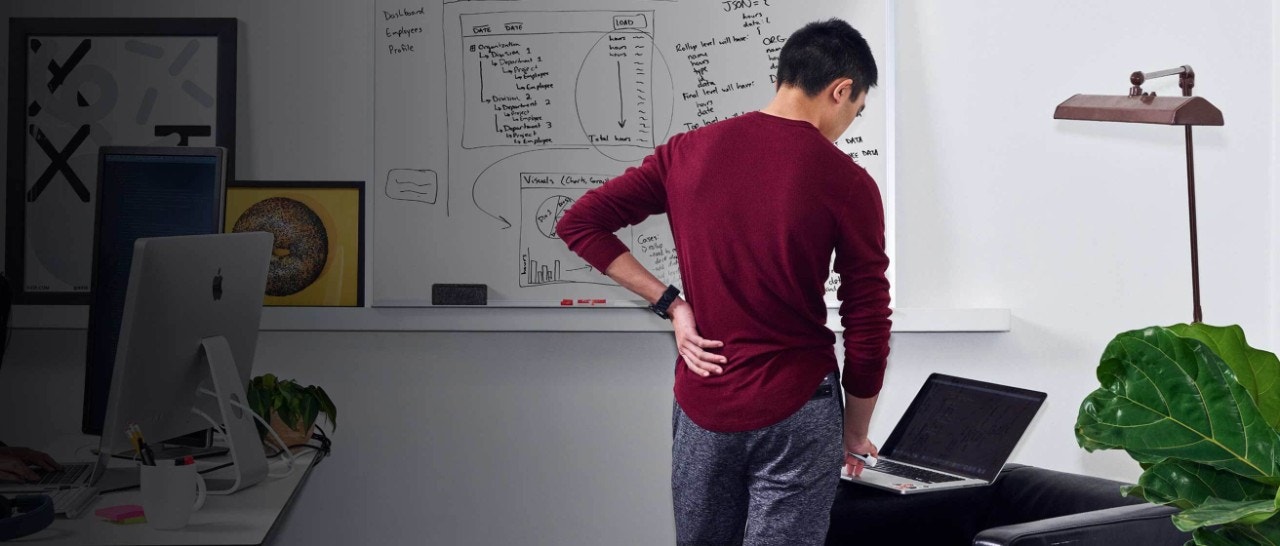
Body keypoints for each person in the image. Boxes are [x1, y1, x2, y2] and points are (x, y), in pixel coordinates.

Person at [557, 18, 891, 546]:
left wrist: (672, 304)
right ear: (840, 90)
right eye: (856, 109)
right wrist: (853, 431)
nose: (849, 123)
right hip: (800, 408)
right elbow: (868, 323)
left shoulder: (686, 152)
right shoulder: (848, 182)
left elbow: (578, 223)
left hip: (704, 401)